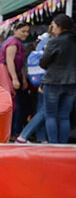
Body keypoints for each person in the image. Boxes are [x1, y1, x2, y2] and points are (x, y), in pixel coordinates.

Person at [39, 14, 76, 144]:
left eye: (54, 26)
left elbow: (43, 62)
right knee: (64, 116)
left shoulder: (55, 41)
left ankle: (54, 144)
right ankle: (64, 144)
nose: (52, 29)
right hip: (72, 82)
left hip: (53, 81)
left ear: (60, 26)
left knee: (51, 115)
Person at [0, 21, 30, 138]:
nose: (25, 34)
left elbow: (18, 64)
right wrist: (15, 79)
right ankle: (10, 133)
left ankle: (12, 132)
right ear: (15, 30)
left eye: (27, 31)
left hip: (12, 76)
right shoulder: (13, 43)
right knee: (13, 106)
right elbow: (10, 61)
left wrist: (22, 79)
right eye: (23, 31)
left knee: (16, 106)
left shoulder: (16, 42)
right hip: (7, 77)